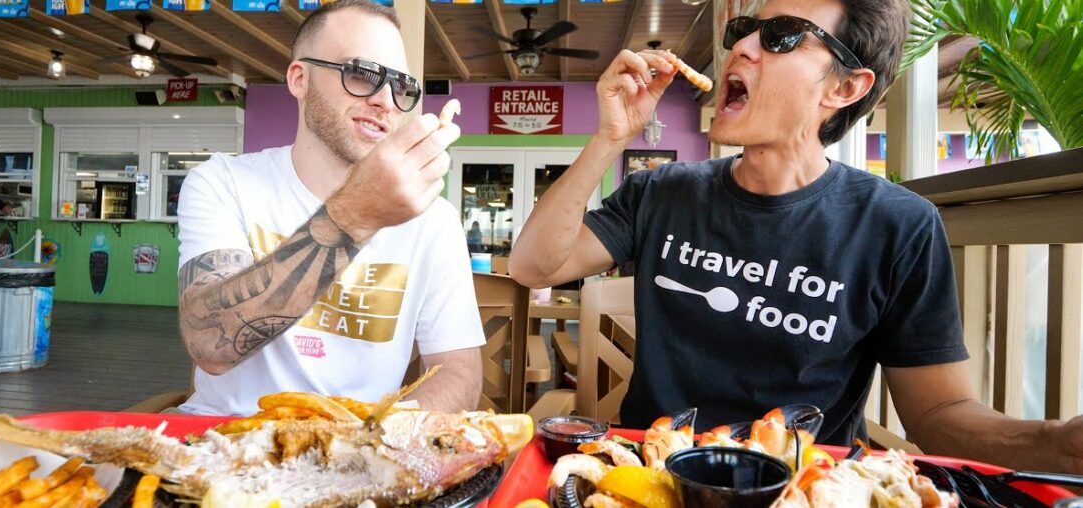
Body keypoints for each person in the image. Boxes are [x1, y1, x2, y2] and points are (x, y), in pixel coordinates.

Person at [509, 0, 1083, 474]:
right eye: (745, 30)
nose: (744, 46)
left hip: (799, 483)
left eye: (782, 36)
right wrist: (611, 136)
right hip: (647, 473)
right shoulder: (663, 192)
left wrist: (1057, 444)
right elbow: (534, 267)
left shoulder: (898, 224)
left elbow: (938, 413)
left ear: (845, 87)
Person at [175, 0, 483, 416]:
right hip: (223, 441)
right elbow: (209, 345)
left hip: (363, 457)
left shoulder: (436, 221)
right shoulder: (224, 182)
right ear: (300, 78)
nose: (386, 101)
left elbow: (459, 373)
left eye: (401, 86)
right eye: (361, 73)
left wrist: (379, 440)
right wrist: (357, 213)